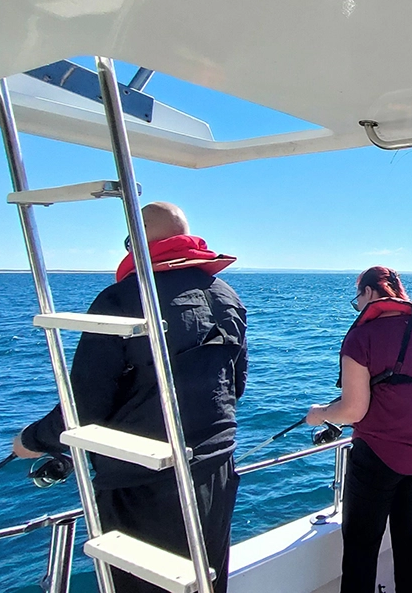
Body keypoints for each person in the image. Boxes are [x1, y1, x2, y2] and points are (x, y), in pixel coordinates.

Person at [13, 202, 247, 593]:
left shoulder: (122, 299)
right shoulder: (226, 296)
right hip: (216, 472)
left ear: (138, 242)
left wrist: (31, 441)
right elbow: (235, 387)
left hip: (142, 483)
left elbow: (84, 405)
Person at [306, 266, 412, 593]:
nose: (358, 306)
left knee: (360, 547)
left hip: (379, 455)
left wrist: (319, 414)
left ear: (369, 292)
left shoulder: (361, 337)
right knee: (411, 538)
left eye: (358, 299)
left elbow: (353, 409)